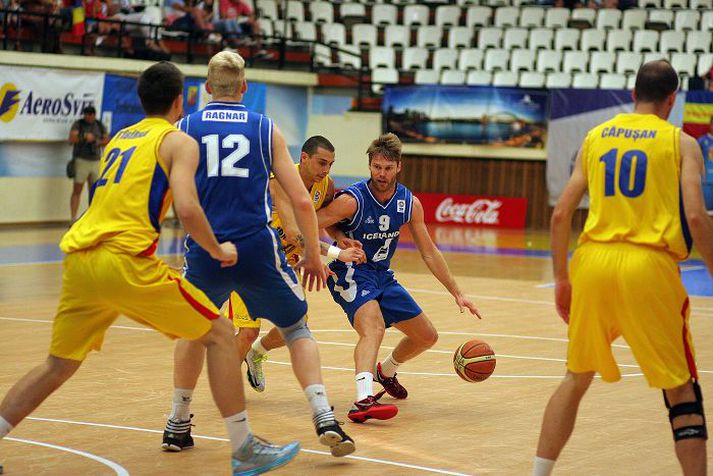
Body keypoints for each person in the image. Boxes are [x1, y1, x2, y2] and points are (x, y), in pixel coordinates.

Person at [0, 61, 304, 475]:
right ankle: (243, 447)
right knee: (217, 334)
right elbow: (188, 206)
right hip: (124, 261)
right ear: (181, 100)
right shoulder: (178, 140)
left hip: (79, 259)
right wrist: (217, 248)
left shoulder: (122, 138)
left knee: (57, 365)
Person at [160, 51, 356, 459]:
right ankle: (323, 415)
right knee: (297, 328)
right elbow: (302, 201)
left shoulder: (183, 128)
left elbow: (169, 197)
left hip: (206, 247)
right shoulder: (264, 128)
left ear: (208, 89)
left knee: (192, 332)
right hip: (255, 247)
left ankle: (177, 423)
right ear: (245, 88)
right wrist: (318, 257)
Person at [533, 60, 713, 476]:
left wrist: (562, 278)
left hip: (592, 263)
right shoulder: (681, 143)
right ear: (672, 99)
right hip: (648, 264)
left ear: (633, 95)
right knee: (681, 388)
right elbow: (698, 218)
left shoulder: (596, 136)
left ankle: (537, 473)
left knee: (575, 377)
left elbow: (561, 215)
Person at [316, 132, 482, 423]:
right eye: (377, 167)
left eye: (388, 168)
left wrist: (457, 292)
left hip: (382, 274)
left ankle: (386, 372)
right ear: (369, 166)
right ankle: (362, 400)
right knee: (374, 327)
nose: (382, 173)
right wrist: (337, 245)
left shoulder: (409, 203)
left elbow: (429, 252)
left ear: (399, 167)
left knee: (427, 336)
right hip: (351, 272)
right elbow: (313, 222)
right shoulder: (352, 200)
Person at [235, 135, 366, 393]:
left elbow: (324, 220)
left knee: (296, 325)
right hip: (252, 260)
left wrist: (341, 238)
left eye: (330, 164)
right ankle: (226, 385)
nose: (326, 170)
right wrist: (337, 254)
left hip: (287, 263)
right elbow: (296, 234)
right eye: (321, 163)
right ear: (303, 158)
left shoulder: (326, 186)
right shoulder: (281, 182)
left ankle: (256, 353)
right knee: (248, 331)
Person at [68, 105, 108, 222]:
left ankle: (93, 217)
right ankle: (73, 218)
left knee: (95, 191)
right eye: (87, 115)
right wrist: (85, 136)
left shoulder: (99, 125)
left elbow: (107, 140)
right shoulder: (78, 124)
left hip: (95, 161)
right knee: (77, 189)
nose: (89, 117)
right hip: (82, 160)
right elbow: (72, 138)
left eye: (91, 115)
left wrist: (96, 141)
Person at [696, 117, 713, 210]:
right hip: (706, 181)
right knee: (707, 212)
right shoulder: (702, 141)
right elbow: (695, 161)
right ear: (710, 125)